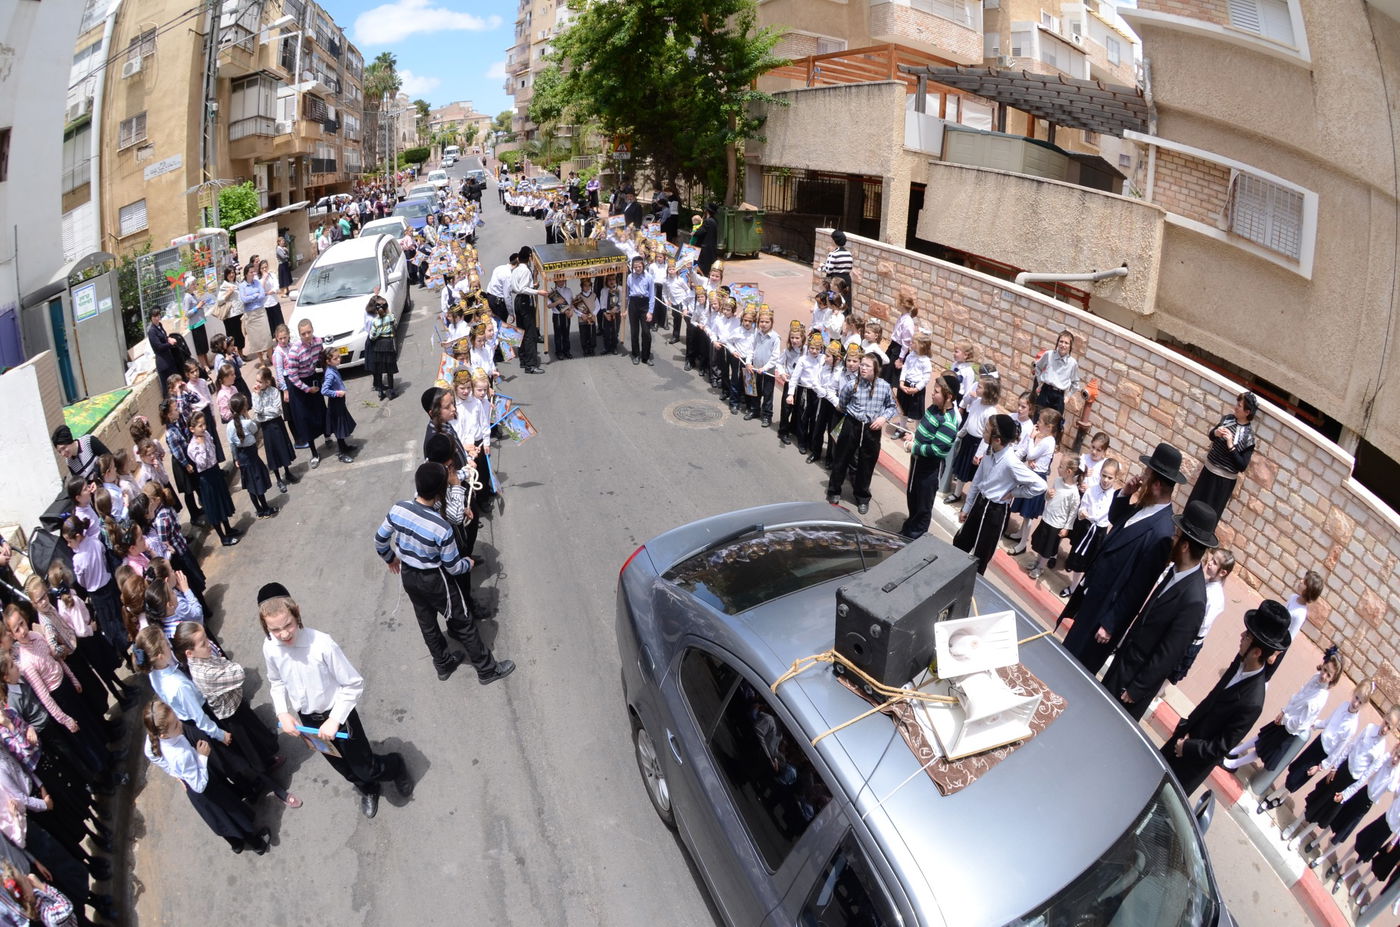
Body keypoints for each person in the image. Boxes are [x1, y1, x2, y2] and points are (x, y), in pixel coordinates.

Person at [259, 587, 411, 819]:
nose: (284, 634)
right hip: (309, 721)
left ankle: (395, 765)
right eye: (275, 629)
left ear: (297, 613)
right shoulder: (270, 647)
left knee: (365, 767)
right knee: (342, 766)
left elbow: (353, 684)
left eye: (288, 625)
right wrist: (282, 712)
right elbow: (276, 681)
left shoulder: (322, 644)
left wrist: (334, 719)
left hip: (338, 715)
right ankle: (368, 788)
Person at [374, 463, 515, 686]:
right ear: (441, 492)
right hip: (436, 580)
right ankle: (487, 669)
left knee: (427, 623)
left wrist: (390, 558)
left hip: (409, 577)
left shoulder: (398, 509)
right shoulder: (441, 527)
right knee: (463, 622)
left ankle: (442, 664)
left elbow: (380, 539)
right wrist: (468, 563)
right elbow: (453, 567)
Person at [1060, 443, 1186, 674]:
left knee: (1077, 668)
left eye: (1146, 475)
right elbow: (1116, 520)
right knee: (1067, 654)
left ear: (1156, 485)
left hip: (1106, 610)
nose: (1141, 478)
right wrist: (1125, 494)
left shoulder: (1162, 533)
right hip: (1093, 594)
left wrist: (1111, 623)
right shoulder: (1144, 505)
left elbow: (1138, 587)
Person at [1100, 500, 1218, 721]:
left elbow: (1169, 653)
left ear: (1185, 546)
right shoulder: (1175, 571)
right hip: (1124, 663)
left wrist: (1137, 688)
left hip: (1132, 685)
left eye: (1176, 535)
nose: (1171, 538)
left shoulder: (1194, 600)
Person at [1161, 600, 1292, 795]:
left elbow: (1221, 746)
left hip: (1190, 762)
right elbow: (1213, 698)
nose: (1241, 636)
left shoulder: (1253, 702)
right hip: (1182, 737)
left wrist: (1187, 747)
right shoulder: (1241, 659)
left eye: (1247, 636)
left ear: (1257, 652)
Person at [142, 700, 271, 855]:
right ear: (163, 735)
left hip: (195, 782)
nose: (180, 724)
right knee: (232, 814)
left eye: (176, 718)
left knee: (219, 818)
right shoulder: (180, 755)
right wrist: (202, 757)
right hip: (205, 787)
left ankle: (236, 844)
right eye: (175, 725)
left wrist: (176, 774)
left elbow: (150, 754)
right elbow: (199, 785)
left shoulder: (153, 739)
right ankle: (257, 844)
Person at [1229, 647, 1345, 792]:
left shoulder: (1319, 698)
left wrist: (1285, 719)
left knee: (1262, 749)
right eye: (1325, 670)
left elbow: (1300, 722)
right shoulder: (1316, 677)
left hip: (1290, 729)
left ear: (1333, 679)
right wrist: (1284, 711)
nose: (1324, 675)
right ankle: (1234, 751)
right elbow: (1299, 695)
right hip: (1286, 717)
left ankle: (1233, 764)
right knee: (1262, 737)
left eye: (1328, 675)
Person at [1257, 677, 1373, 813]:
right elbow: (1328, 722)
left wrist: (1320, 767)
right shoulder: (1343, 705)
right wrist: (1314, 724)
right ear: (1354, 692)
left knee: (1297, 778)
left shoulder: (1352, 726)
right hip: (1317, 744)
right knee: (1296, 769)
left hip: (1323, 754)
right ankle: (1282, 799)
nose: (1356, 703)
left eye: (1360, 702)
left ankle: (1270, 798)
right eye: (1356, 698)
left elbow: (1338, 750)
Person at [953, 414, 1047, 574]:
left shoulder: (1011, 462)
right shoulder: (989, 451)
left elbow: (1040, 485)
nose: (983, 432)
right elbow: (977, 480)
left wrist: (1015, 492)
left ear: (997, 439)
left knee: (980, 556)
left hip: (995, 511)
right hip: (979, 503)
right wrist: (967, 507)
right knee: (960, 543)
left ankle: (968, 584)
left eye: (986, 430)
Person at [826, 353, 897, 515]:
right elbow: (842, 403)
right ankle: (834, 491)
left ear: (876, 369)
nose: (862, 368)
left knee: (867, 463)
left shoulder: (884, 387)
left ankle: (862, 497)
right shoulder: (852, 385)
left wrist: (882, 418)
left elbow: (892, 407)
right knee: (842, 458)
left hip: (872, 429)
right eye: (862, 365)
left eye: (867, 366)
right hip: (852, 425)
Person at [900, 375, 960, 540]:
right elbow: (925, 432)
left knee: (923, 505)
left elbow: (936, 450)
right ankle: (908, 529)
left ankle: (915, 537)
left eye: (936, 392)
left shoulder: (949, 422)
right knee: (913, 496)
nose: (932, 394)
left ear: (949, 397)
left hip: (929, 469)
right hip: (917, 462)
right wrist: (914, 437)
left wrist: (913, 447)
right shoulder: (934, 408)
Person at [1186, 391, 1258, 520]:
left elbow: (1242, 466)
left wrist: (1231, 445)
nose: (1236, 407)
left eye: (1239, 406)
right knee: (1193, 507)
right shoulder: (1227, 419)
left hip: (1223, 482)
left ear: (1247, 412)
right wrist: (1216, 433)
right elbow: (1211, 435)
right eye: (1237, 404)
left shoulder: (1248, 437)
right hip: (1208, 471)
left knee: (1207, 517)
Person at [1169, 549, 1235, 685]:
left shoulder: (1215, 597)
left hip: (1190, 640)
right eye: (1211, 559)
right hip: (1184, 633)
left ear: (1223, 572)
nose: (1209, 563)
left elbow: (1203, 622)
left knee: (1172, 671)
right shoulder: (1206, 582)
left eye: (1215, 563)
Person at [1028, 458, 1082, 581]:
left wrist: (1066, 528)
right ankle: (1037, 562)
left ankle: (1040, 567)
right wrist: (1047, 495)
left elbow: (1073, 512)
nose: (1058, 468)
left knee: (1047, 548)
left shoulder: (1074, 492)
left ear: (1068, 471)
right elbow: (1048, 498)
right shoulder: (1057, 481)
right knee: (1041, 544)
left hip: (1057, 524)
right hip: (1047, 518)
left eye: (1061, 467)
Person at [225, 394, 279, 519]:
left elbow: (232, 444)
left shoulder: (229, 426)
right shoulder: (247, 422)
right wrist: (247, 415)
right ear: (244, 408)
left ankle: (259, 510)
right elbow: (255, 429)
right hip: (252, 456)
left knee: (251, 486)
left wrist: (236, 459)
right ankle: (266, 509)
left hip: (242, 457)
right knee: (258, 483)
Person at [285, 319, 328, 468]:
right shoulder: (294, 351)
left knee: (321, 410)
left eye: (309, 332)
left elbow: (322, 360)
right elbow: (292, 376)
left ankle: (327, 435)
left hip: (312, 378)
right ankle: (314, 453)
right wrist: (307, 389)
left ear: (313, 330)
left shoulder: (318, 342)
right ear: (299, 334)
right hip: (299, 386)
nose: (307, 336)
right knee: (305, 419)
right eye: (303, 334)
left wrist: (325, 376)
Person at [511, 247, 547, 374]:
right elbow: (523, 288)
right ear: (529, 257)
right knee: (530, 334)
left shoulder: (516, 269)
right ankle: (531, 365)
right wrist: (538, 292)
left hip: (518, 300)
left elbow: (517, 287)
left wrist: (532, 287)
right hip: (525, 301)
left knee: (521, 332)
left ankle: (523, 359)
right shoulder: (525, 270)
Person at [1031, 330, 1083, 418]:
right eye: (1061, 341)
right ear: (1057, 342)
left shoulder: (1072, 363)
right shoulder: (1049, 355)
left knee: (1054, 423)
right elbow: (1038, 367)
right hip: (1045, 391)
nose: (1063, 345)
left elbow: (1075, 383)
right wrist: (1040, 383)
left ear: (1070, 346)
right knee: (1038, 419)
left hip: (1059, 397)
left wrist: (1067, 397)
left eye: (1066, 343)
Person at [625, 255, 655, 367]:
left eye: (639, 266)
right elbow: (627, 294)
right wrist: (625, 309)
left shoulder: (649, 277)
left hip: (644, 304)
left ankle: (646, 357)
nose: (637, 269)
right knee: (634, 331)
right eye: (635, 267)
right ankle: (636, 355)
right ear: (632, 267)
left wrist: (650, 312)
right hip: (633, 304)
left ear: (643, 266)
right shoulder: (629, 277)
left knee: (646, 332)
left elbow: (652, 295)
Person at [819, 229, 853, 295]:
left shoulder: (833, 254)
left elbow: (828, 270)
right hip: (846, 280)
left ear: (834, 241)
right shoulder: (849, 254)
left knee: (831, 299)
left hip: (835, 281)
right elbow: (849, 268)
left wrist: (821, 266)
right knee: (844, 299)